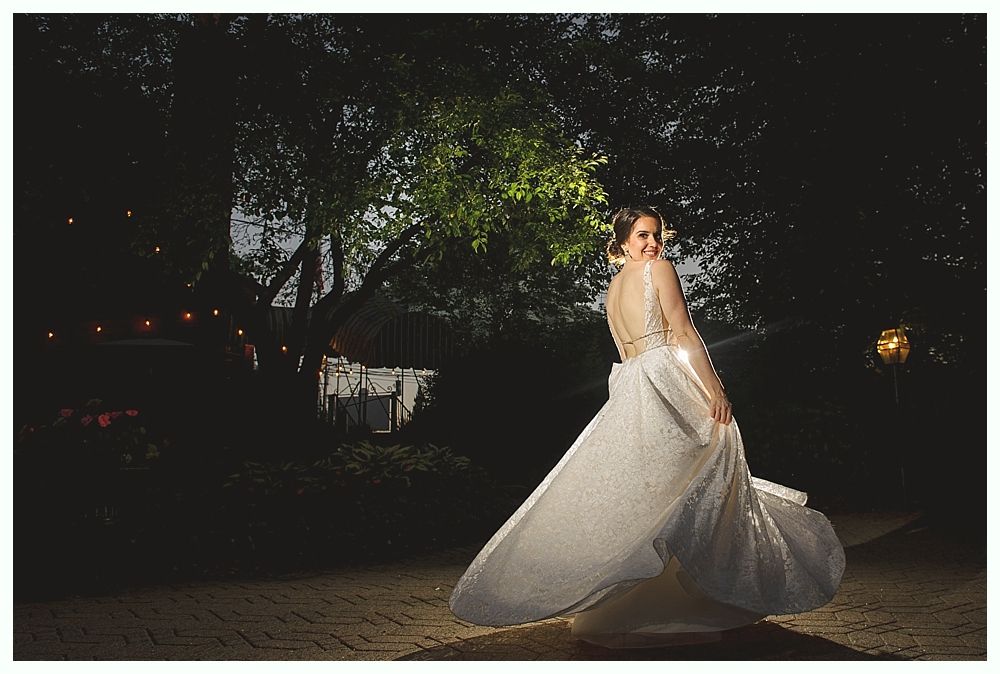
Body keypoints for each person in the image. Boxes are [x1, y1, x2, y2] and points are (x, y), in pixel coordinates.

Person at [448, 206, 845, 648]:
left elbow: (627, 346)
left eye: (656, 235)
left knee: (651, 489)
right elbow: (685, 333)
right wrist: (716, 389)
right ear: (622, 241)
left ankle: (641, 604)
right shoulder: (659, 270)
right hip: (661, 378)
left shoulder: (611, 289)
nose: (653, 244)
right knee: (704, 469)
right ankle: (691, 601)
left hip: (629, 382)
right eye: (642, 235)